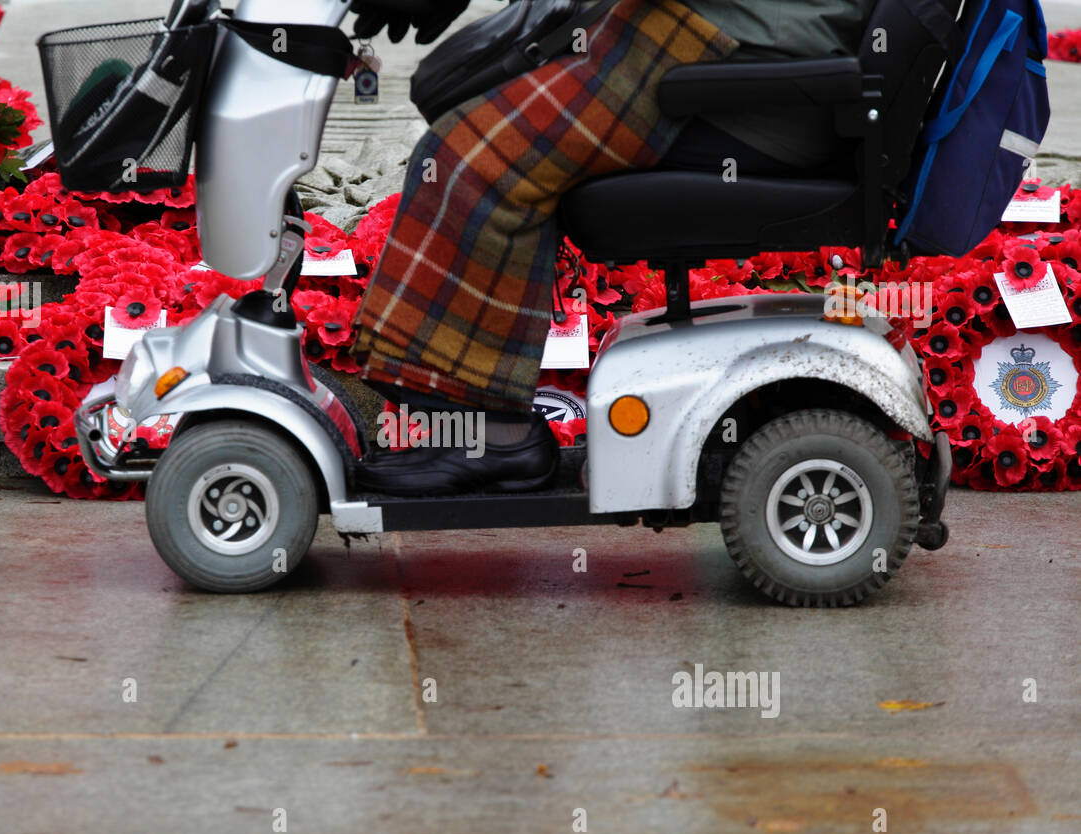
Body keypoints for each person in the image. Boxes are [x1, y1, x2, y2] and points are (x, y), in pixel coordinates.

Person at [347, 0, 873, 495]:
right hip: (743, 39)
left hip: (748, 70)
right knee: (468, 125)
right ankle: (479, 425)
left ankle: (495, 438)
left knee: (468, 160)